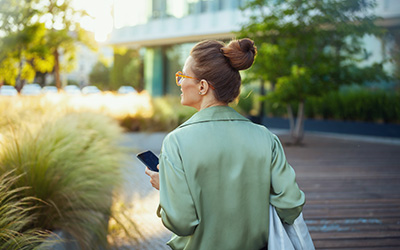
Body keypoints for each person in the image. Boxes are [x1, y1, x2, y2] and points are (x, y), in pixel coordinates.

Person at [145, 38, 305, 250]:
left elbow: (182, 223)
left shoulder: (177, 142)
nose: (180, 83)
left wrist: (167, 188)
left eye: (182, 76)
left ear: (202, 86)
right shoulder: (266, 138)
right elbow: (291, 205)